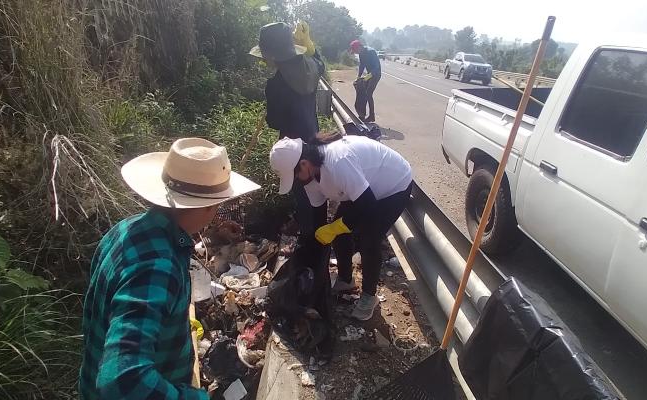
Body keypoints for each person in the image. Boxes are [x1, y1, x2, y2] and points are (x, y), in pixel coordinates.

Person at [80, 138, 260, 400]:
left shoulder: (125, 230)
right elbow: (123, 381)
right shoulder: (158, 267)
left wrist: (215, 233)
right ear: (210, 206)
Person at [270, 135, 413, 321]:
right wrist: (315, 245)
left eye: (295, 174)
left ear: (304, 164)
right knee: (338, 233)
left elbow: (367, 204)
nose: (296, 180)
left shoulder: (338, 163)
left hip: (393, 186)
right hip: (364, 189)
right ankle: (346, 280)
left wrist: (336, 227)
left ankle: (369, 297)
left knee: (369, 239)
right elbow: (318, 214)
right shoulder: (310, 176)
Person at [251, 21, 326, 246]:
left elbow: (274, 121)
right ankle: (320, 237)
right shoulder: (310, 67)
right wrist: (311, 47)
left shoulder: (274, 85)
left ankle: (308, 241)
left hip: (291, 148)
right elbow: (320, 63)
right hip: (314, 140)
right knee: (317, 190)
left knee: (301, 195)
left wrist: (270, 112)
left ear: (272, 55)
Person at [349, 40, 381, 122]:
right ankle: (362, 114)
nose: (355, 53)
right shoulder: (361, 54)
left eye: (355, 51)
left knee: (368, 94)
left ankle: (371, 116)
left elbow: (376, 68)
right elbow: (362, 65)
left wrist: (367, 77)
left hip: (375, 74)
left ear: (359, 47)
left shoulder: (371, 52)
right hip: (369, 75)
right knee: (363, 93)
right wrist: (358, 77)